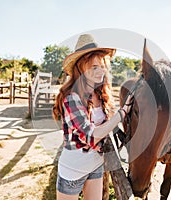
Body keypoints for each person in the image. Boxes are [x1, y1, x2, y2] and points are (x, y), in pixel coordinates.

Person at [52, 34, 131, 200]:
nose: (100, 71)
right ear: (81, 69)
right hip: (73, 170)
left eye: (102, 66)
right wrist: (121, 114)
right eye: (94, 67)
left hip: (95, 164)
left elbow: (111, 128)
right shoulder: (71, 98)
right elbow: (91, 135)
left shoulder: (100, 94)